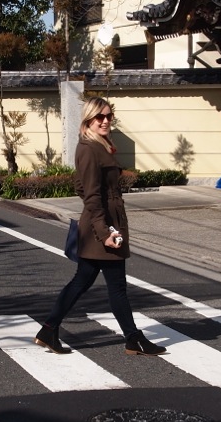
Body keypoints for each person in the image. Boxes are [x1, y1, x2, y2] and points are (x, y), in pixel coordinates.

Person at [34, 97, 166, 356]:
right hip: (103, 227)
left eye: (108, 116)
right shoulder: (89, 149)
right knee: (116, 286)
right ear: (88, 120)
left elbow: (81, 187)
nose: (106, 121)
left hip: (102, 224)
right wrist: (105, 231)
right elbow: (91, 194)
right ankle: (133, 338)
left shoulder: (101, 146)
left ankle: (49, 329)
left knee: (81, 282)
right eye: (100, 117)